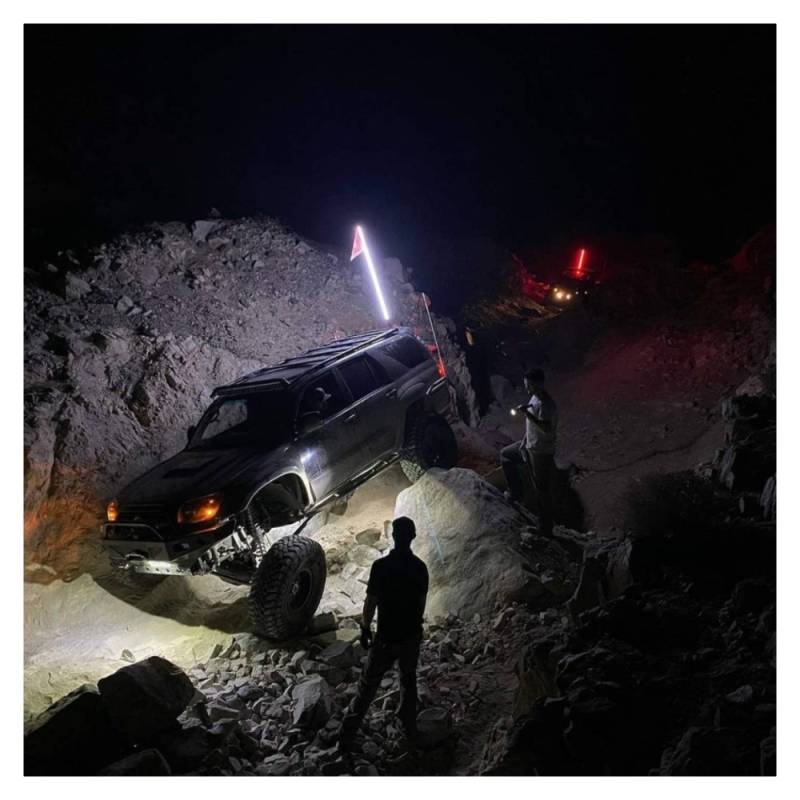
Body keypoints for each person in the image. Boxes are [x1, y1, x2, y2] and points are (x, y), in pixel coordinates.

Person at [339, 516, 429, 754]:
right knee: (408, 680)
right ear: (413, 536)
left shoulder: (381, 567)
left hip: (386, 638)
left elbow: (371, 602)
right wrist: (416, 630)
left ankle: (346, 736)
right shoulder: (420, 568)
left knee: (367, 686)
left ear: (393, 536)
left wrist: (365, 628)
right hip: (410, 637)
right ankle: (408, 727)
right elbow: (421, 604)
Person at [500, 368, 558, 535]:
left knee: (541, 489)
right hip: (530, 445)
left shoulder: (546, 405)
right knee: (505, 454)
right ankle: (516, 493)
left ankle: (545, 527)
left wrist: (527, 414)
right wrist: (525, 441)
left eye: (530, 386)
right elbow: (532, 426)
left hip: (541, 451)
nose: (527, 390)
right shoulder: (535, 398)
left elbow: (547, 429)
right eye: (526, 386)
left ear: (539, 384)